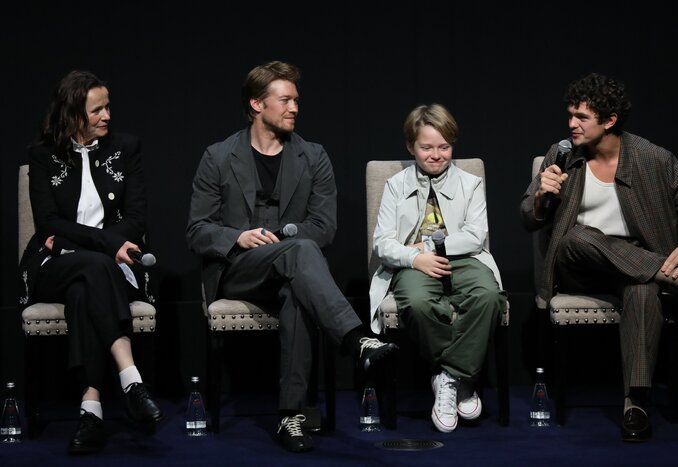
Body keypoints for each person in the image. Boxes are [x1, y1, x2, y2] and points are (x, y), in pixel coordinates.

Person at [186, 61, 397, 453]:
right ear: (257, 104)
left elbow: (323, 227)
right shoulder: (218, 156)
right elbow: (197, 229)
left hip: (293, 269)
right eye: (285, 100)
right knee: (300, 254)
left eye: (296, 100)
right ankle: (355, 338)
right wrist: (238, 237)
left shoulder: (313, 156)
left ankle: (290, 416)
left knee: (297, 290)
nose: (294, 108)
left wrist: (282, 242)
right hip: (239, 270)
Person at [520, 73, 678, 442]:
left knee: (642, 289)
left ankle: (635, 404)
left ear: (610, 120)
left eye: (582, 117)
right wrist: (540, 199)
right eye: (570, 114)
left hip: (634, 268)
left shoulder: (654, 158)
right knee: (577, 237)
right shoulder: (562, 155)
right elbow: (527, 218)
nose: (571, 123)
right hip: (578, 265)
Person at [19, 70, 163, 454]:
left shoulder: (126, 149)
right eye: (97, 109)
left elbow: (137, 218)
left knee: (86, 286)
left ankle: (91, 410)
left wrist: (78, 241)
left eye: (107, 106)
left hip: (108, 268)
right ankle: (131, 380)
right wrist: (103, 243)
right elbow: (48, 224)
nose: (107, 115)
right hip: (55, 266)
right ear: (72, 114)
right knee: (95, 266)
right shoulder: (43, 155)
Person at [369, 104, 507, 432]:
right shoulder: (396, 185)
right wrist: (415, 257)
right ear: (410, 147)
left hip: (464, 259)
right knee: (417, 303)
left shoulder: (470, 183)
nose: (436, 155)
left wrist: (428, 247)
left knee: (489, 297)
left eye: (444, 147)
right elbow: (382, 243)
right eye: (426, 147)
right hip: (413, 264)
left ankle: (449, 377)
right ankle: (463, 376)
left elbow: (475, 235)